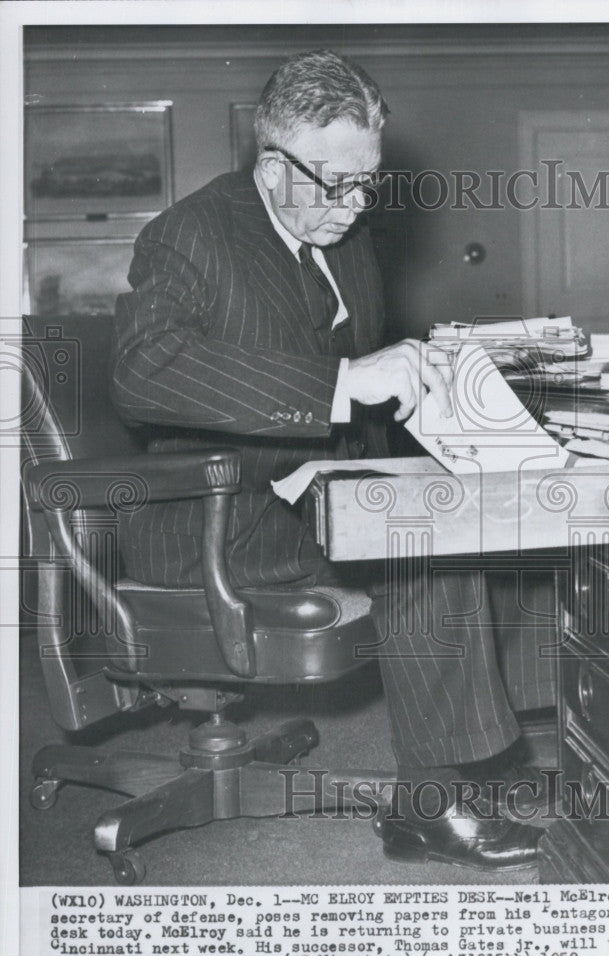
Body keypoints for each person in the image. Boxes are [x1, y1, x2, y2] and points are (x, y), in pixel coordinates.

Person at [110, 49, 547, 871]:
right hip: (215, 521)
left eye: (368, 181)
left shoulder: (341, 236)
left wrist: (433, 403)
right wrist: (346, 384)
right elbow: (143, 371)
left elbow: (357, 391)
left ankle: (475, 760)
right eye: (335, 183)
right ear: (272, 168)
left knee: (482, 510)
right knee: (423, 540)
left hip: (310, 496)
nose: (354, 205)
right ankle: (438, 797)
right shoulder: (189, 234)